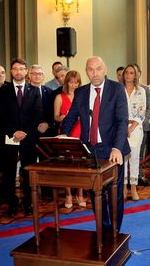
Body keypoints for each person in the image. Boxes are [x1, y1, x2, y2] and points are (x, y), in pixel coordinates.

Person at [61, 56, 129, 232]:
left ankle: (114, 232)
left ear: (105, 70)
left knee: (114, 194)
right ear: (86, 72)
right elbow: (70, 118)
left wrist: (117, 148)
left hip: (113, 149)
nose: (95, 73)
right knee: (96, 193)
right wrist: (63, 135)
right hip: (89, 150)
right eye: (90, 69)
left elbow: (122, 121)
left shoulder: (117, 89)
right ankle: (103, 228)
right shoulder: (81, 92)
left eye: (98, 68)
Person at [0, 58, 42, 217]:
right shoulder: (3, 91)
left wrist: (25, 132)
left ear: (26, 72)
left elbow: (37, 115)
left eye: (21, 69)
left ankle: (29, 203)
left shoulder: (34, 91)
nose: (18, 72)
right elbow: (0, 115)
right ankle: (11, 203)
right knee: (8, 173)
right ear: (11, 71)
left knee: (27, 172)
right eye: (15, 69)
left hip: (28, 138)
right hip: (9, 138)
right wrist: (13, 132)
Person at [54, 70, 86, 208]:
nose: (73, 84)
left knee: (82, 165)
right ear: (66, 82)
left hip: (81, 132)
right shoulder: (60, 97)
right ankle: (68, 195)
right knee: (67, 165)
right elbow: (55, 117)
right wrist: (64, 117)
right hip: (67, 132)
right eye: (71, 81)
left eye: (76, 82)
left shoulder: (83, 96)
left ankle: (80, 194)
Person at [122, 64, 146, 201]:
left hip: (136, 128)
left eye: (131, 73)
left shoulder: (141, 90)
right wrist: (123, 126)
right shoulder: (119, 90)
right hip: (121, 127)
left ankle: (133, 187)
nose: (128, 75)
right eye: (126, 72)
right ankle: (124, 187)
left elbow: (142, 111)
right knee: (123, 158)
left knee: (134, 158)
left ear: (135, 75)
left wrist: (131, 128)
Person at [134, 63, 150, 186]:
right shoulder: (122, 88)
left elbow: (149, 108)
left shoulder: (145, 89)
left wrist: (143, 121)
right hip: (128, 128)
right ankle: (128, 178)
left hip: (142, 126)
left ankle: (139, 175)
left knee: (140, 154)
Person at [29, 64, 55, 137]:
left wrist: (48, 124)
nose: (37, 76)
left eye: (40, 74)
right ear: (29, 75)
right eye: (34, 74)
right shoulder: (24, 92)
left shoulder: (50, 92)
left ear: (43, 76)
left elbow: (53, 112)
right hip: (29, 133)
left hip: (46, 133)